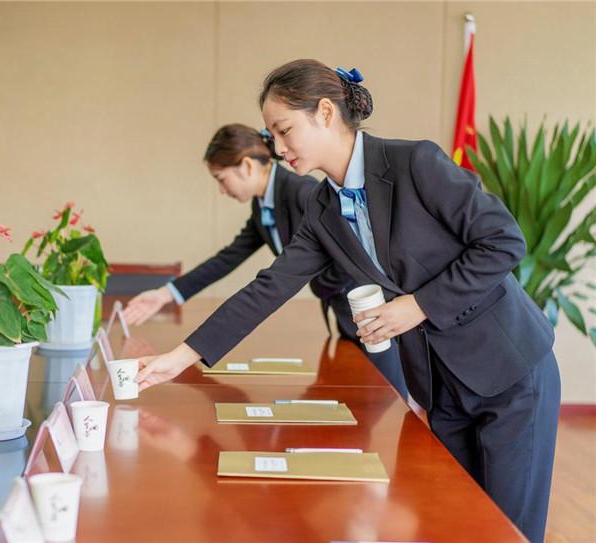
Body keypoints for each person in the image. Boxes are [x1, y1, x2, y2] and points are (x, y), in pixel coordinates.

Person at [134, 59, 560, 543]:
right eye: (272, 135)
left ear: (324, 113)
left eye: (284, 131)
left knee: (507, 533)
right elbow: (269, 287)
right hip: (443, 388)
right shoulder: (323, 209)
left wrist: (418, 305)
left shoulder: (414, 163)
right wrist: (180, 358)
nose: (277, 148)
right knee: (453, 527)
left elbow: (503, 241)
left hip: (509, 373)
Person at [123, 123, 408, 398]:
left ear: (247, 166)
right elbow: (228, 258)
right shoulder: (263, 206)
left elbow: (349, 254)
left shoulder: (302, 192)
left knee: (389, 397)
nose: (222, 190)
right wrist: (167, 293)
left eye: (221, 179)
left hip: (367, 309)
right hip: (344, 313)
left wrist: (327, 286)